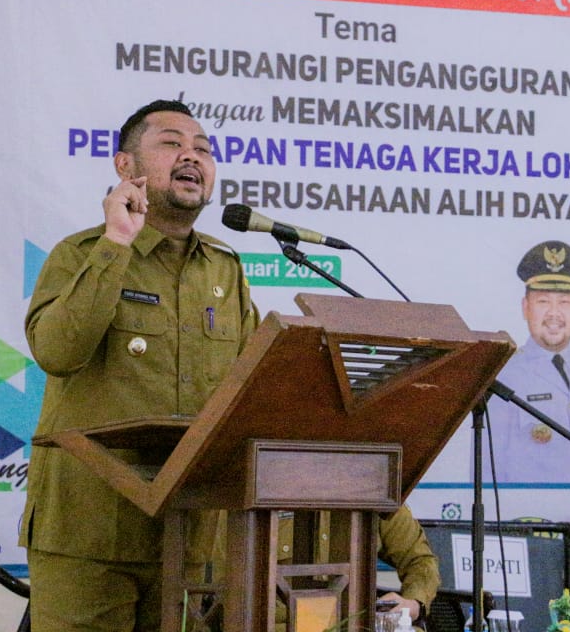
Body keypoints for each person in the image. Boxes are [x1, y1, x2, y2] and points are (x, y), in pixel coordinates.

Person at [21, 99, 437, 631]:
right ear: (126, 167)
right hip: (90, 529)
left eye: (203, 149)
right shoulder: (81, 254)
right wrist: (116, 243)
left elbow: (252, 394)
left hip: (189, 538)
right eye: (171, 143)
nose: (191, 156)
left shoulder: (224, 269)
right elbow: (57, 351)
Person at [479, 240, 570, 483]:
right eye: (543, 301)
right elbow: (487, 469)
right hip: (529, 517)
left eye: (564, 302)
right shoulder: (503, 371)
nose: (554, 313)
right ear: (525, 308)